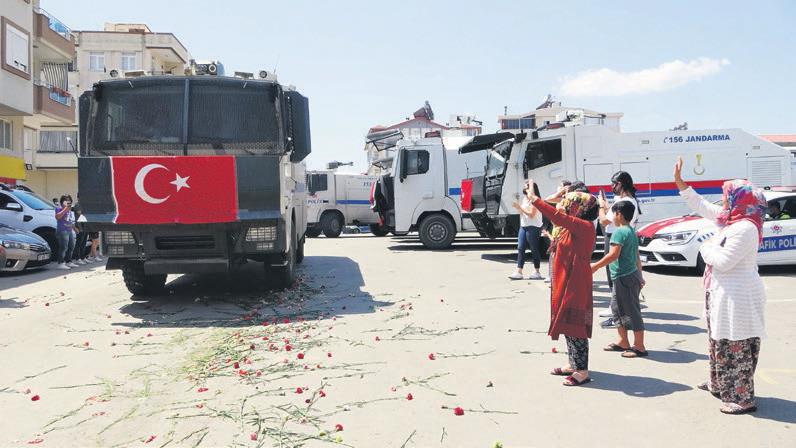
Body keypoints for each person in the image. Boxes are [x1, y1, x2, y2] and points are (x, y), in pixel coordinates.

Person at [674, 157, 766, 415]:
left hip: (739, 295)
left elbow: (724, 261)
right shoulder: (731, 219)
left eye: (726, 197)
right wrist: (680, 183)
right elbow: (701, 205)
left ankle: (743, 398)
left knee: (736, 344)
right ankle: (719, 383)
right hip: (722, 292)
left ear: (740, 200)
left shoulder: (745, 227)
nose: (722, 201)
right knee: (718, 341)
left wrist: (705, 247)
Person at [526, 183, 598, 386]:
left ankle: (582, 371)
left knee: (575, 324)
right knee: (567, 322)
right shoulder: (572, 225)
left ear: (579, 208)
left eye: (570, 204)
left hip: (576, 280)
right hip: (567, 277)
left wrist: (534, 199)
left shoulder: (582, 226)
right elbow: (558, 214)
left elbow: (558, 216)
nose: (566, 205)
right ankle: (573, 363)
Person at [590, 201, 647, 357]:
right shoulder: (630, 231)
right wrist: (640, 276)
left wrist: (595, 267)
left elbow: (613, 254)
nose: (612, 217)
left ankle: (639, 346)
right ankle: (623, 341)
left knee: (632, 312)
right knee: (617, 310)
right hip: (627, 276)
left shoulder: (619, 232)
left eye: (613, 214)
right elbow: (636, 257)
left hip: (625, 277)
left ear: (619, 214)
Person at [597, 172, 641, 327]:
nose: (612, 186)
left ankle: (618, 316)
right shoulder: (626, 200)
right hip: (621, 237)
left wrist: (601, 205)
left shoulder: (624, 202)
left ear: (622, 183)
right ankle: (616, 312)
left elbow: (603, 221)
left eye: (614, 183)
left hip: (616, 237)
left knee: (615, 276)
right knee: (615, 277)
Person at [510, 181, 544, 280]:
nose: (524, 190)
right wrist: (518, 208)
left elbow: (532, 214)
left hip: (534, 226)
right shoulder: (525, 199)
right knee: (520, 248)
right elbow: (522, 213)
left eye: (526, 188)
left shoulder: (535, 200)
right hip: (524, 225)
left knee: (534, 248)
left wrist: (520, 207)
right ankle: (519, 271)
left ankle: (537, 271)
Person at [55, 195, 77, 270]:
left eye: (69, 200)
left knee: (71, 246)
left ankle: (68, 261)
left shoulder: (70, 210)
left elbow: (70, 221)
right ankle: (60, 263)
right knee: (64, 247)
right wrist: (65, 209)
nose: (68, 202)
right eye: (66, 200)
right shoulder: (59, 208)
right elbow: (57, 217)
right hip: (62, 230)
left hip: (69, 230)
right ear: (62, 202)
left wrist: (75, 228)